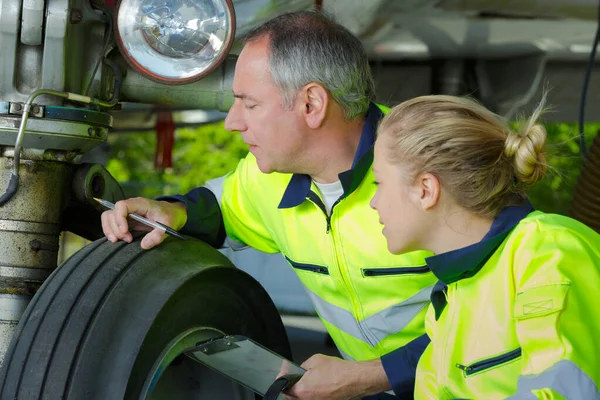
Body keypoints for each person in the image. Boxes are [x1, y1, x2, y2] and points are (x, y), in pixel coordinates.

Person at [101, 11, 437, 399]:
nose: (231, 122)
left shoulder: (435, 171)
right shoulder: (267, 179)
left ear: (311, 104)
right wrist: (173, 211)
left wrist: (368, 377)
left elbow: (493, 321)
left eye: (250, 103)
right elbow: (218, 208)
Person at [370, 93, 600, 399]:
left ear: (426, 190)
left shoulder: (546, 249)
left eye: (378, 183)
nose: (373, 203)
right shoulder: (450, 300)